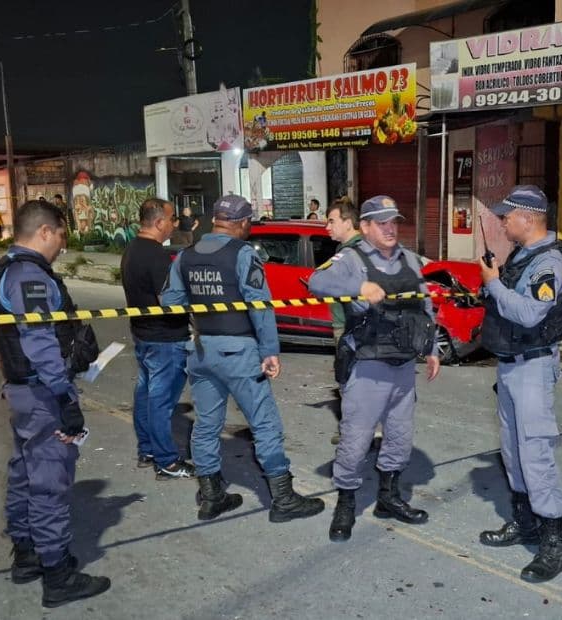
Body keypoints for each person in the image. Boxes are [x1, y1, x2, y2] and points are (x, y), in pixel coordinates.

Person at [160, 195, 324, 522]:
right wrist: (270, 351)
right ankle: (283, 499)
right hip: (238, 352)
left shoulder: (186, 256)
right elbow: (260, 306)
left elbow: (169, 301)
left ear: (215, 220)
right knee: (265, 424)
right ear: (243, 222)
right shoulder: (243, 254)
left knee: (206, 425)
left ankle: (212, 496)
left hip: (202, 351)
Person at [0, 200, 109, 608]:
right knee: (50, 483)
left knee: (24, 472)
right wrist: (63, 396)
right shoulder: (29, 276)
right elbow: (39, 342)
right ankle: (57, 576)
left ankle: (27, 556)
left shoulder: (3, 269)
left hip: (24, 390)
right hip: (42, 394)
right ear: (43, 232)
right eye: (60, 235)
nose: (61, 245)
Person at [307, 195, 441, 543]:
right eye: (382, 223)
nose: (390, 228)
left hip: (403, 365)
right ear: (364, 227)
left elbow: (424, 303)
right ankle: (346, 502)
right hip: (368, 366)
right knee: (355, 441)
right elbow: (316, 282)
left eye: (393, 221)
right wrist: (359, 287)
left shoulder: (408, 259)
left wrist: (432, 348)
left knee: (399, 437)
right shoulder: (352, 259)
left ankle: (388, 498)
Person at [473, 185, 562, 583]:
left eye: (507, 216)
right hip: (510, 365)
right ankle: (524, 523)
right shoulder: (522, 255)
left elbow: (531, 313)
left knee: (535, 454)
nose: (502, 222)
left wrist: (494, 283)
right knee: (513, 452)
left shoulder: (550, 263)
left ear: (527, 219)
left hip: (533, 367)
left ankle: (554, 547)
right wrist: (491, 284)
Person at [120, 198, 195, 480]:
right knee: (161, 402)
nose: (174, 224)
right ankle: (167, 462)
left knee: (146, 395)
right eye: (172, 219)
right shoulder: (156, 255)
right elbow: (169, 300)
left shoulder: (131, 250)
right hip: (165, 339)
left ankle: (148, 450)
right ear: (159, 222)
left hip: (143, 334)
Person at [317, 198, 366, 447]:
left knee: (348, 380)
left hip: (349, 326)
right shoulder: (360, 248)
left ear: (347, 222)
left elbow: (320, 281)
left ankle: (353, 433)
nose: (327, 227)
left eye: (331, 221)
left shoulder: (350, 253)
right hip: (359, 325)